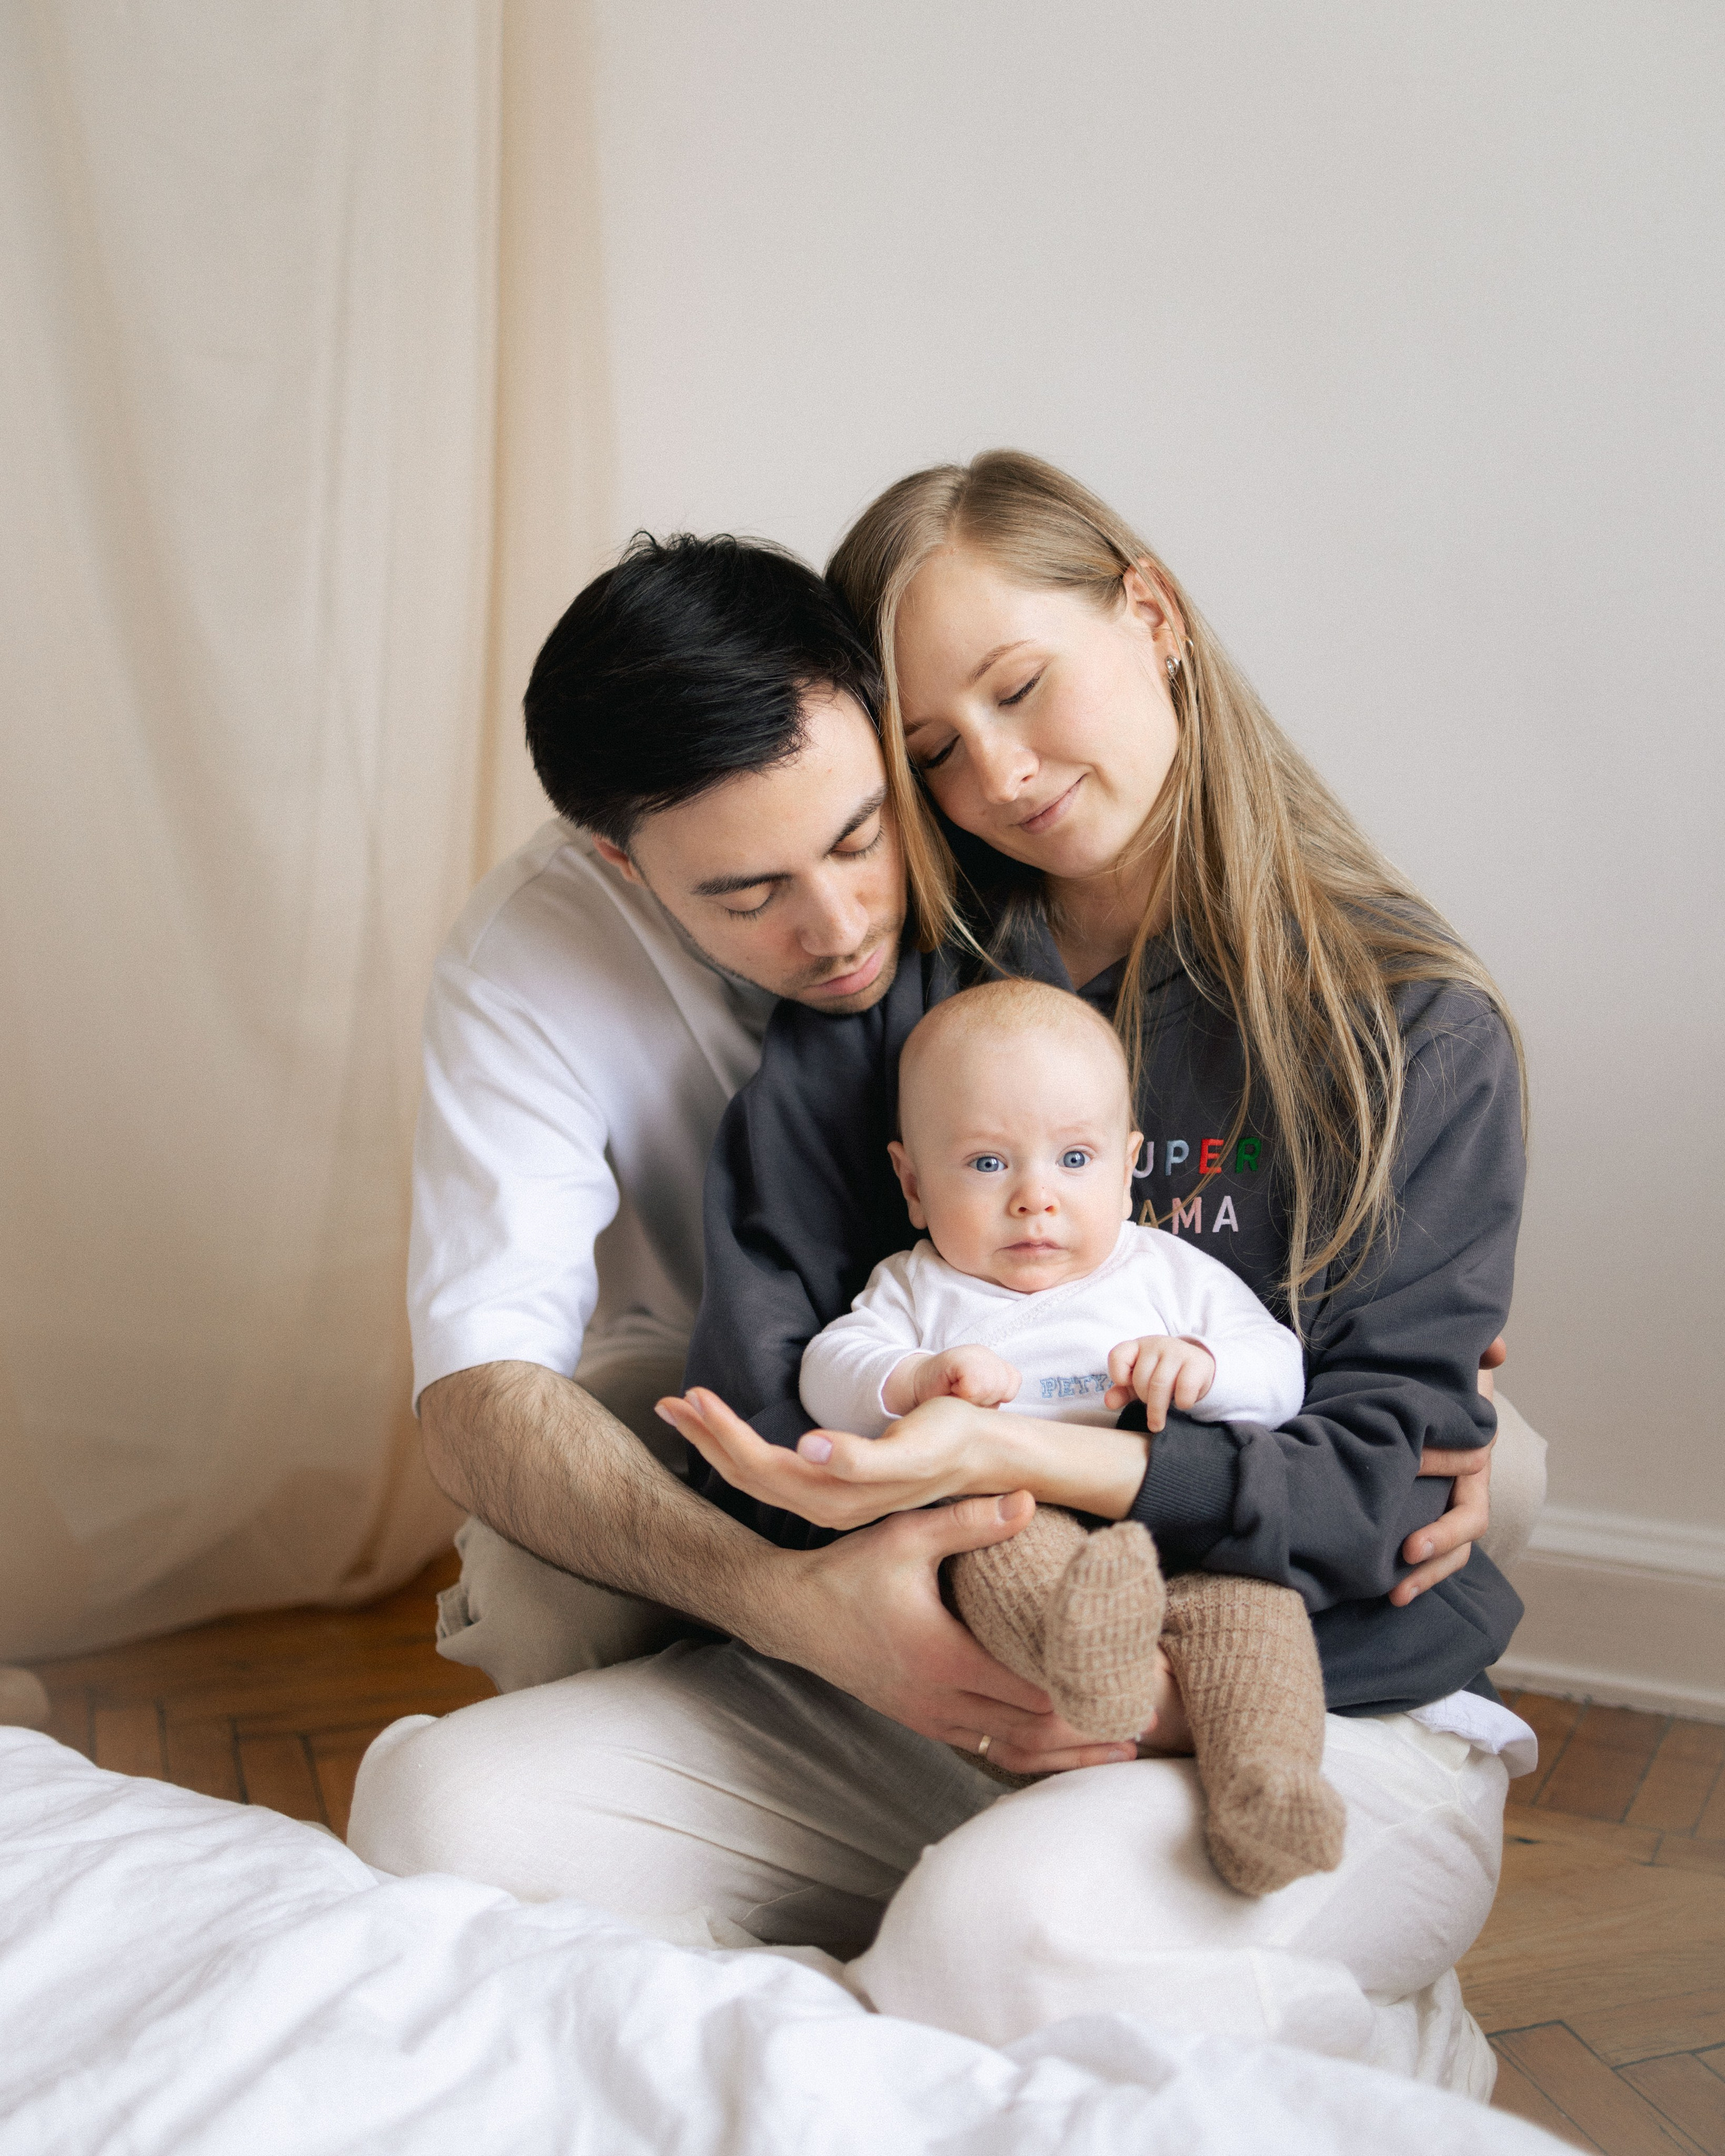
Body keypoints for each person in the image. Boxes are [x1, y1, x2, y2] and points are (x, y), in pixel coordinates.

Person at [348, 502, 1540, 2092]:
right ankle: (881, 2013)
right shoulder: (900, 1004)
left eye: (1019, 690)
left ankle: (1343, 2034)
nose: (996, 775)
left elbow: (1386, 1475)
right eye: (936, 749)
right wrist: (870, 1570)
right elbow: (749, 1371)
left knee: (990, 1938)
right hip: (941, 1658)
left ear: (1151, 616)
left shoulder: (1411, 1027)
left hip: (1295, 1690)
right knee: (438, 1812)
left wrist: (1021, 1452)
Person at [797, 975, 1346, 1898]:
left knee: (1259, 1616)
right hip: (1021, 1521)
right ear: (914, 1184)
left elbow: (1279, 1370)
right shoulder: (919, 1286)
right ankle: (1101, 1661)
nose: (1035, 1199)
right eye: (986, 1164)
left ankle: (1270, 1788)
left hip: (1188, 1532)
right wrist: (917, 1378)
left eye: (1076, 1159)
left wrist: (1202, 1365)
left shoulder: (1166, 1271)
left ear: (1128, 1168)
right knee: (1000, 1560)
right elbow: (829, 1370)